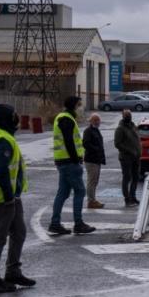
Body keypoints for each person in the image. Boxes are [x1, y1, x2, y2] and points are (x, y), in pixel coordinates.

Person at [0, 103, 35, 293]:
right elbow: (1, 169)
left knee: (19, 232)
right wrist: (8, 196)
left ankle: (13, 271)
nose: (17, 118)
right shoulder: (3, 139)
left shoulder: (2, 135)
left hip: (12, 197)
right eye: (14, 115)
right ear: (6, 119)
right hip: (3, 198)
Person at [48, 96, 95, 236]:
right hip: (69, 162)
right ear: (74, 105)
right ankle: (78, 223)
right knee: (80, 192)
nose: (81, 107)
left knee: (62, 193)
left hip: (63, 161)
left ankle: (55, 224)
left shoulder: (63, 117)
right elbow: (69, 141)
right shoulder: (66, 119)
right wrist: (76, 159)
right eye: (79, 104)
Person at [114, 109, 142, 207]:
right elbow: (117, 144)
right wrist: (130, 151)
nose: (128, 116)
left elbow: (137, 140)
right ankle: (127, 199)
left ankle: (133, 197)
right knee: (127, 178)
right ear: (123, 116)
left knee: (135, 178)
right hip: (126, 157)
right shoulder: (120, 129)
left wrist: (138, 151)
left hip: (136, 157)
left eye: (129, 114)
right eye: (126, 115)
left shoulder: (134, 126)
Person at [83, 113, 106, 209]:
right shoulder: (88, 131)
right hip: (91, 160)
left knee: (94, 181)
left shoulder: (96, 130)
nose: (98, 122)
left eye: (98, 120)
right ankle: (91, 201)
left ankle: (93, 199)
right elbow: (85, 144)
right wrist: (96, 150)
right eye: (96, 120)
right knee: (91, 181)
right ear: (92, 121)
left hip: (97, 160)